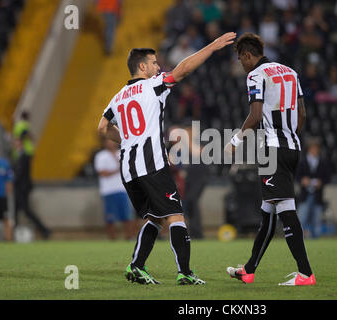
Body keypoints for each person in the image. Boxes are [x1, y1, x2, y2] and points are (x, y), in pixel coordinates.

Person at [97, 32, 236, 285]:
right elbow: (183, 69)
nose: (157, 67)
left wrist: (127, 140)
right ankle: (185, 273)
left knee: (155, 217)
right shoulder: (154, 84)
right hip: (151, 164)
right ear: (142, 66)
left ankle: (137, 266)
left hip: (128, 169)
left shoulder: (117, 98)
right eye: (153, 62)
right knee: (175, 216)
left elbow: (102, 127)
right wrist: (212, 46)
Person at [225, 33, 316, 286]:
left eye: (240, 59)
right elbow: (302, 115)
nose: (241, 65)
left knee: (285, 210)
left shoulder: (255, 75)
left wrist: (235, 141)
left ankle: (306, 274)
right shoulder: (290, 72)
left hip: (272, 150)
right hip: (293, 147)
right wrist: (288, 138)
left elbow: (255, 115)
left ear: (247, 55)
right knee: (268, 210)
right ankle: (250, 269)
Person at [94, 138, 135, 240]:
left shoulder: (122, 153)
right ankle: (112, 238)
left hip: (123, 189)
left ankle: (129, 236)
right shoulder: (101, 156)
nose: (111, 143)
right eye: (108, 141)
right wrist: (118, 169)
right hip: (108, 190)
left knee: (127, 216)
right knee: (110, 217)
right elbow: (102, 173)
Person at [13, 138, 51, 239]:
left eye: (17, 143)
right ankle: (15, 233)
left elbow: (20, 174)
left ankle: (44, 230)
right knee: (16, 210)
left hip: (23, 188)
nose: (15, 145)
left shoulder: (24, 156)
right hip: (18, 188)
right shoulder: (18, 156)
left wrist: (12, 178)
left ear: (21, 144)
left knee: (25, 211)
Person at [296, 137, 331, 239]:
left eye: (316, 148)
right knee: (301, 219)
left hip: (317, 195)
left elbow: (328, 178)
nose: (315, 150)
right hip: (305, 195)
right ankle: (299, 240)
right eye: (313, 148)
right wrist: (303, 180)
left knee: (317, 222)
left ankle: (316, 241)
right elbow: (297, 177)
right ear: (309, 149)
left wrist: (321, 182)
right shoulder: (302, 162)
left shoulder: (323, 162)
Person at [0, 143, 13, 241]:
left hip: (1, 196)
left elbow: (9, 180)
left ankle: (8, 239)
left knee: (5, 218)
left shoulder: (5, 164)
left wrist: (9, 193)